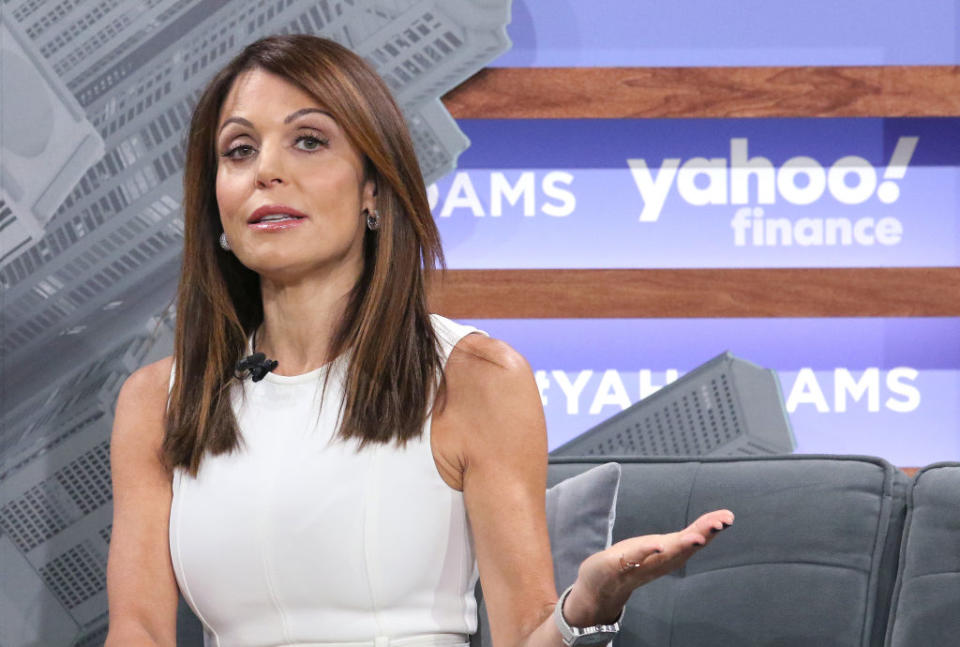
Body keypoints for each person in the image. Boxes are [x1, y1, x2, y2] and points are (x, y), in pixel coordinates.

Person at [104, 34, 733, 647]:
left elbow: (523, 636)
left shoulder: (476, 377)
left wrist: (586, 608)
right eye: (239, 150)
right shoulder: (157, 401)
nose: (266, 170)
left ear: (372, 187)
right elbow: (138, 632)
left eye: (308, 141)